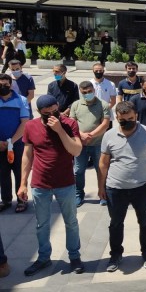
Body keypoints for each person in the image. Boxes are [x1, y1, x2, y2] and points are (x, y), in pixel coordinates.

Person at [19, 95, 83, 276]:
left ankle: (74, 256)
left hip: (65, 183)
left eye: (55, 111)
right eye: (47, 114)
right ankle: (44, 257)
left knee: (71, 222)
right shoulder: (31, 126)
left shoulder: (69, 124)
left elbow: (76, 150)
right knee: (42, 224)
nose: (53, 115)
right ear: (40, 113)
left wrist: (60, 130)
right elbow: (27, 155)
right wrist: (23, 183)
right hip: (41, 183)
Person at [98, 101, 146, 272]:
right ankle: (115, 254)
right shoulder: (109, 135)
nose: (127, 122)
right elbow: (103, 163)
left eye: (131, 118)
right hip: (115, 188)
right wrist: (101, 187)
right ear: (117, 119)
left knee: (145, 222)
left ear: (136, 116)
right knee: (116, 223)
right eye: (123, 120)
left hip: (142, 187)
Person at [70, 81, 110, 207]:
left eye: (89, 92)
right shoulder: (76, 105)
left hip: (98, 144)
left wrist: (91, 135)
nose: (87, 94)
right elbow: (72, 123)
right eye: (84, 93)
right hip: (80, 145)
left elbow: (105, 124)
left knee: (101, 169)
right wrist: (81, 134)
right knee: (78, 171)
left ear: (93, 90)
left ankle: (102, 193)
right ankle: (78, 194)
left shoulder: (103, 104)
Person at [0, 73, 29, 213]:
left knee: (19, 173)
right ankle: (5, 200)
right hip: (0, 145)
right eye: (0, 85)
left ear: (11, 85)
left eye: (5, 85)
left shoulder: (21, 100)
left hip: (17, 144)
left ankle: (22, 200)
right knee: (2, 173)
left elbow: (24, 123)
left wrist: (11, 141)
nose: (3, 87)